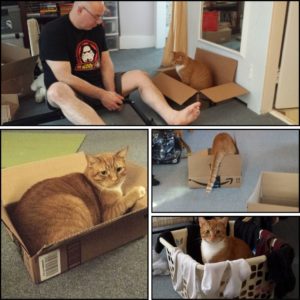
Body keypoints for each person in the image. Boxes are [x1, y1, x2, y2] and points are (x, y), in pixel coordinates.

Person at [39, 1, 201, 125]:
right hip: (73, 91)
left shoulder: (96, 28)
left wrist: (111, 92)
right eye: (96, 16)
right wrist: (103, 95)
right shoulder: (52, 31)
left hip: (98, 84)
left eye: (101, 15)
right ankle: (106, 131)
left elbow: (106, 62)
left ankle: (172, 117)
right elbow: (64, 76)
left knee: (140, 75)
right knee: (56, 91)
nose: (99, 21)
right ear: (80, 10)